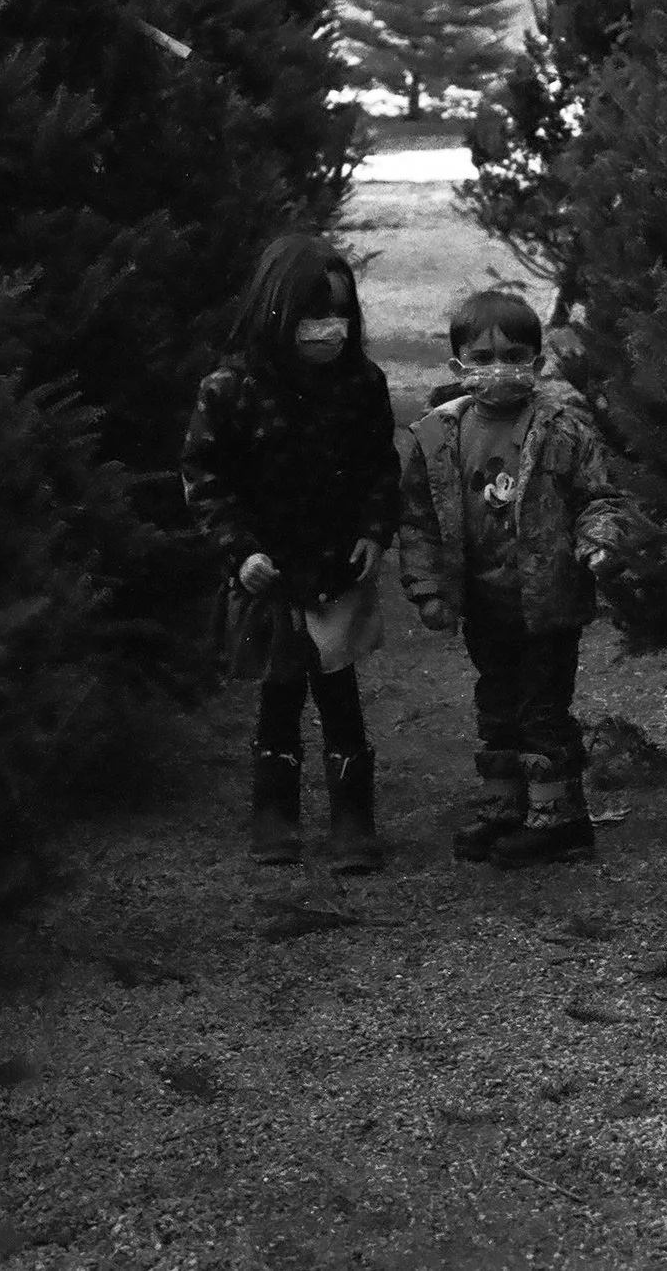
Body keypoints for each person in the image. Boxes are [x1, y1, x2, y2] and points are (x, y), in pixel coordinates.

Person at [182, 234, 401, 874]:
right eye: (312, 317)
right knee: (278, 692)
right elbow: (204, 476)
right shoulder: (230, 389)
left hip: (336, 566)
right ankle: (273, 812)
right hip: (268, 572)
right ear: (276, 312)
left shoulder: (361, 385)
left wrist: (374, 530)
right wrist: (237, 551)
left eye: (339, 316)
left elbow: (379, 468)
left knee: (340, 692)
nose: (327, 331)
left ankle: (353, 818)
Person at [398, 290, 631, 866]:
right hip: (483, 601)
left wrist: (598, 542)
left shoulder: (562, 430)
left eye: (515, 354)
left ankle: (560, 819)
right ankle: (505, 806)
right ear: (459, 367)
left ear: (538, 361)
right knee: (496, 703)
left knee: (543, 708)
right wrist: (429, 589)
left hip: (548, 600)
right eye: (482, 357)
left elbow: (598, 497)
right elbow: (419, 520)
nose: (498, 368)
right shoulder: (438, 438)